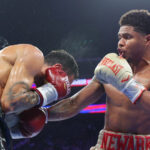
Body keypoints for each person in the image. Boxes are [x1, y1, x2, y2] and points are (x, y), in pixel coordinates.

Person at [40, 9, 150, 150]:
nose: (120, 43)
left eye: (127, 37)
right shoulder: (110, 67)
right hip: (106, 145)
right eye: (119, 37)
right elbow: (74, 104)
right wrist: (42, 114)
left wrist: (127, 85)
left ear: (147, 39)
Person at [0, 44, 79, 149]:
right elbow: (9, 104)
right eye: (65, 84)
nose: (62, 93)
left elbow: (5, 111)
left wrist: (19, 130)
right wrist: (50, 90)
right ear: (57, 68)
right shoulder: (34, 54)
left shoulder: (18, 84)